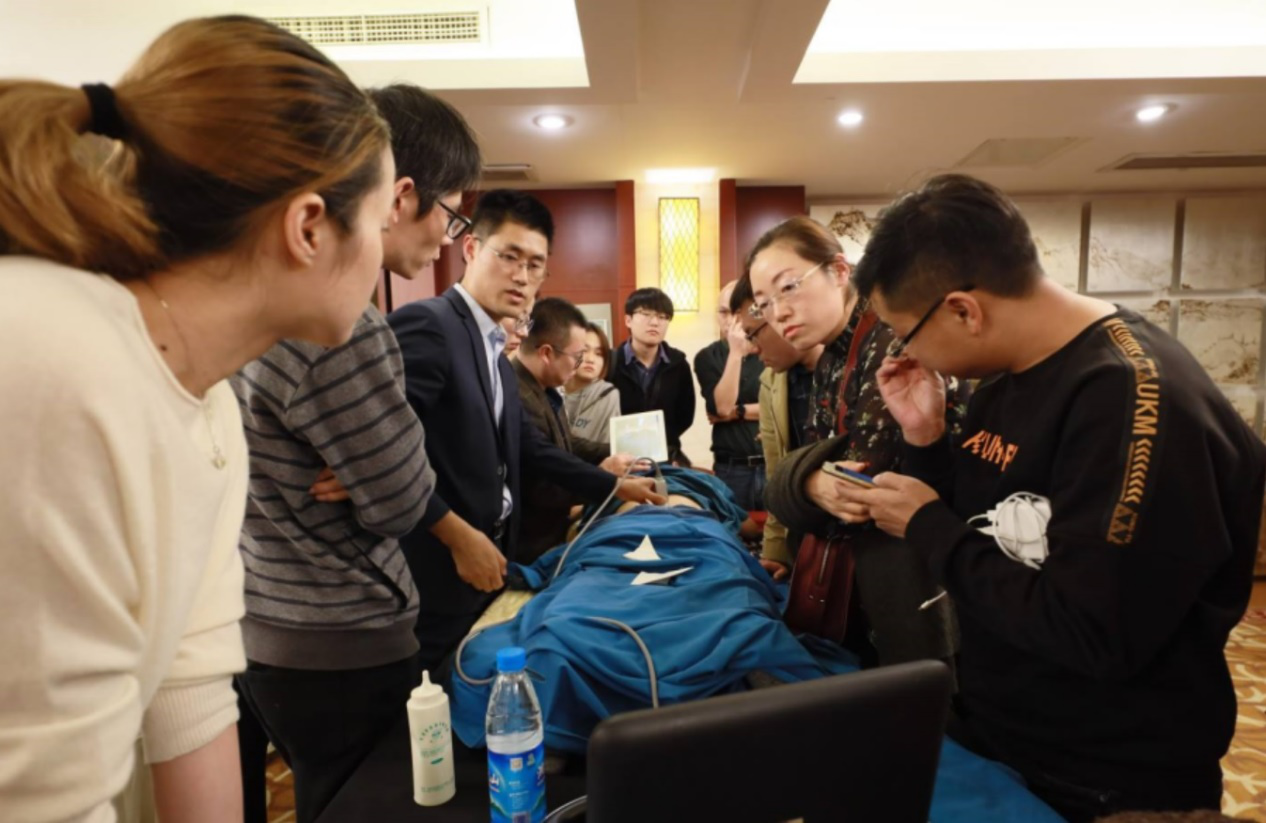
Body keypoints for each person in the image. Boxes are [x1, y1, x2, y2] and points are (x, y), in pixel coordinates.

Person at [0, 14, 393, 822]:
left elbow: (192, 697)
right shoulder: (56, 359)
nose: (382, 253)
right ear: (309, 227)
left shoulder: (209, 408)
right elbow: (38, 796)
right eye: (381, 224)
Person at [833, 174, 1266, 821]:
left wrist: (926, 525)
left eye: (904, 332)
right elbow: (987, 523)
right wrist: (925, 439)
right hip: (1007, 728)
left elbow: (1092, 631)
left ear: (963, 311)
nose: (905, 352)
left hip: (1105, 771)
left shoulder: (1131, 398)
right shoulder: (1010, 373)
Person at [231, 83, 480, 822]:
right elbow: (400, 496)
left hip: (265, 618)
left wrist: (379, 465)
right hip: (340, 632)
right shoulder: (339, 322)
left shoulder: (255, 295)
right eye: (452, 214)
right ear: (399, 195)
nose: (449, 238)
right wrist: (391, 464)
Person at [389, 190, 665, 669]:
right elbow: (384, 452)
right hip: (438, 560)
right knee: (432, 687)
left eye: (535, 265)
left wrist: (613, 485)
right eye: (509, 256)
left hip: (494, 553)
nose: (522, 276)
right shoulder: (431, 325)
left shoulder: (496, 354)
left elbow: (531, 449)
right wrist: (457, 537)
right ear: (471, 248)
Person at [753, 216, 960, 670]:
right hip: (859, 583)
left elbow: (860, 487)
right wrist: (808, 481)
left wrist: (799, 478)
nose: (777, 313)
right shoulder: (832, 354)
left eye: (788, 288)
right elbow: (809, 470)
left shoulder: (890, 337)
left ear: (839, 271)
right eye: (763, 304)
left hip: (910, 583)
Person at [513, 298, 637, 560]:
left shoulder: (544, 388)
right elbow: (540, 482)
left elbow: (566, 444)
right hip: (532, 541)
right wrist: (603, 477)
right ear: (546, 353)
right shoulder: (519, 395)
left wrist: (616, 449)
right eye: (578, 355)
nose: (582, 362)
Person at [728, 273, 824, 580]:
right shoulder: (770, 383)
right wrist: (775, 553)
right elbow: (776, 476)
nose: (754, 349)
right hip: (806, 545)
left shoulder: (849, 365)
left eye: (753, 334)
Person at [694, 280, 767, 510]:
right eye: (723, 312)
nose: (730, 320)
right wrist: (736, 352)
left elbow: (780, 407)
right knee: (732, 525)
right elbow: (723, 407)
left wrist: (740, 411)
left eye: (736, 312)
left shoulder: (770, 348)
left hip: (772, 462)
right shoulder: (708, 357)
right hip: (732, 467)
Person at [609, 287, 696, 465]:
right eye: (646, 314)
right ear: (628, 320)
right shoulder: (610, 363)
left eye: (663, 317)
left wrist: (660, 442)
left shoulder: (678, 364)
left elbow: (685, 416)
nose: (655, 322)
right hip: (620, 460)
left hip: (665, 458)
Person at [563, 321, 621, 452]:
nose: (591, 359)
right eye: (584, 351)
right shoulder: (553, 389)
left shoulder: (607, 394)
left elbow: (607, 449)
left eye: (598, 354)